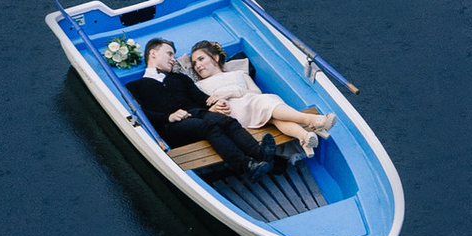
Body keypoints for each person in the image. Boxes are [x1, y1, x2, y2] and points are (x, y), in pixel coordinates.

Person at [129, 39, 270, 179]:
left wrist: (216, 103)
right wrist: (168, 117)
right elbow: (141, 113)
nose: (173, 59)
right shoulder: (136, 86)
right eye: (169, 54)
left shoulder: (180, 78)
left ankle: (260, 154)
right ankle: (246, 166)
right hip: (171, 126)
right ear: (153, 53)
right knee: (208, 126)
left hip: (197, 113)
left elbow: (201, 98)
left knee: (227, 121)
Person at [187, 39, 333, 160]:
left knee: (273, 116)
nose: (197, 66)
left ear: (215, 58)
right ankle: (312, 120)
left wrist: (233, 91)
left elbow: (256, 91)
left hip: (253, 104)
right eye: (194, 64)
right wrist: (221, 101)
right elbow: (203, 105)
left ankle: (304, 137)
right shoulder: (198, 85)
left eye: (201, 59)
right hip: (233, 112)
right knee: (268, 102)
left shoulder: (239, 73)